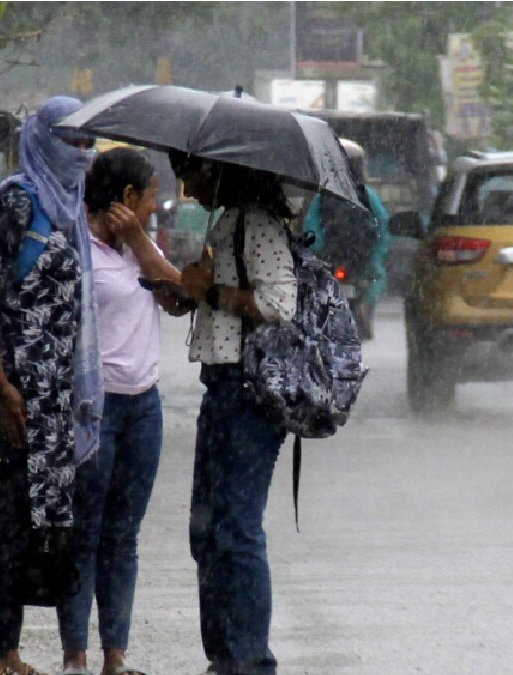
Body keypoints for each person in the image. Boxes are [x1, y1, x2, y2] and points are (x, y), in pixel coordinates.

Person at [0, 96, 100, 675]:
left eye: (88, 142)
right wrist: (1, 385)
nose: (80, 152)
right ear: (40, 140)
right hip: (9, 399)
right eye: (70, 141)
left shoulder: (69, 209)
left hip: (52, 404)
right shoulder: (15, 201)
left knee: (31, 531)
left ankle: (5, 649)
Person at [55, 147, 186, 675]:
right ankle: (75, 656)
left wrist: (137, 239)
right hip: (95, 407)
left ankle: (116, 655)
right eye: (151, 195)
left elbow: (177, 297)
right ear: (127, 196)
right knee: (84, 531)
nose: (156, 205)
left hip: (143, 408)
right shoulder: (74, 248)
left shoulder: (141, 248)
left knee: (124, 534)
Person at [170, 151, 298, 675]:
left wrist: (213, 291)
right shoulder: (227, 223)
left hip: (247, 392)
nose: (187, 190)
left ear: (218, 169)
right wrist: (189, 295)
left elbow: (280, 304)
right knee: (208, 531)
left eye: (190, 175)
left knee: (237, 529)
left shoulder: (257, 224)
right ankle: (224, 658)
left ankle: (250, 662)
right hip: (221, 387)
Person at [300, 139, 390, 338]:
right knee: (378, 276)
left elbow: (311, 228)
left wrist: (318, 251)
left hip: (330, 256)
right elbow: (382, 225)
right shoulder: (368, 195)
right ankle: (366, 305)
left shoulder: (322, 197)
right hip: (361, 258)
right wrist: (376, 255)